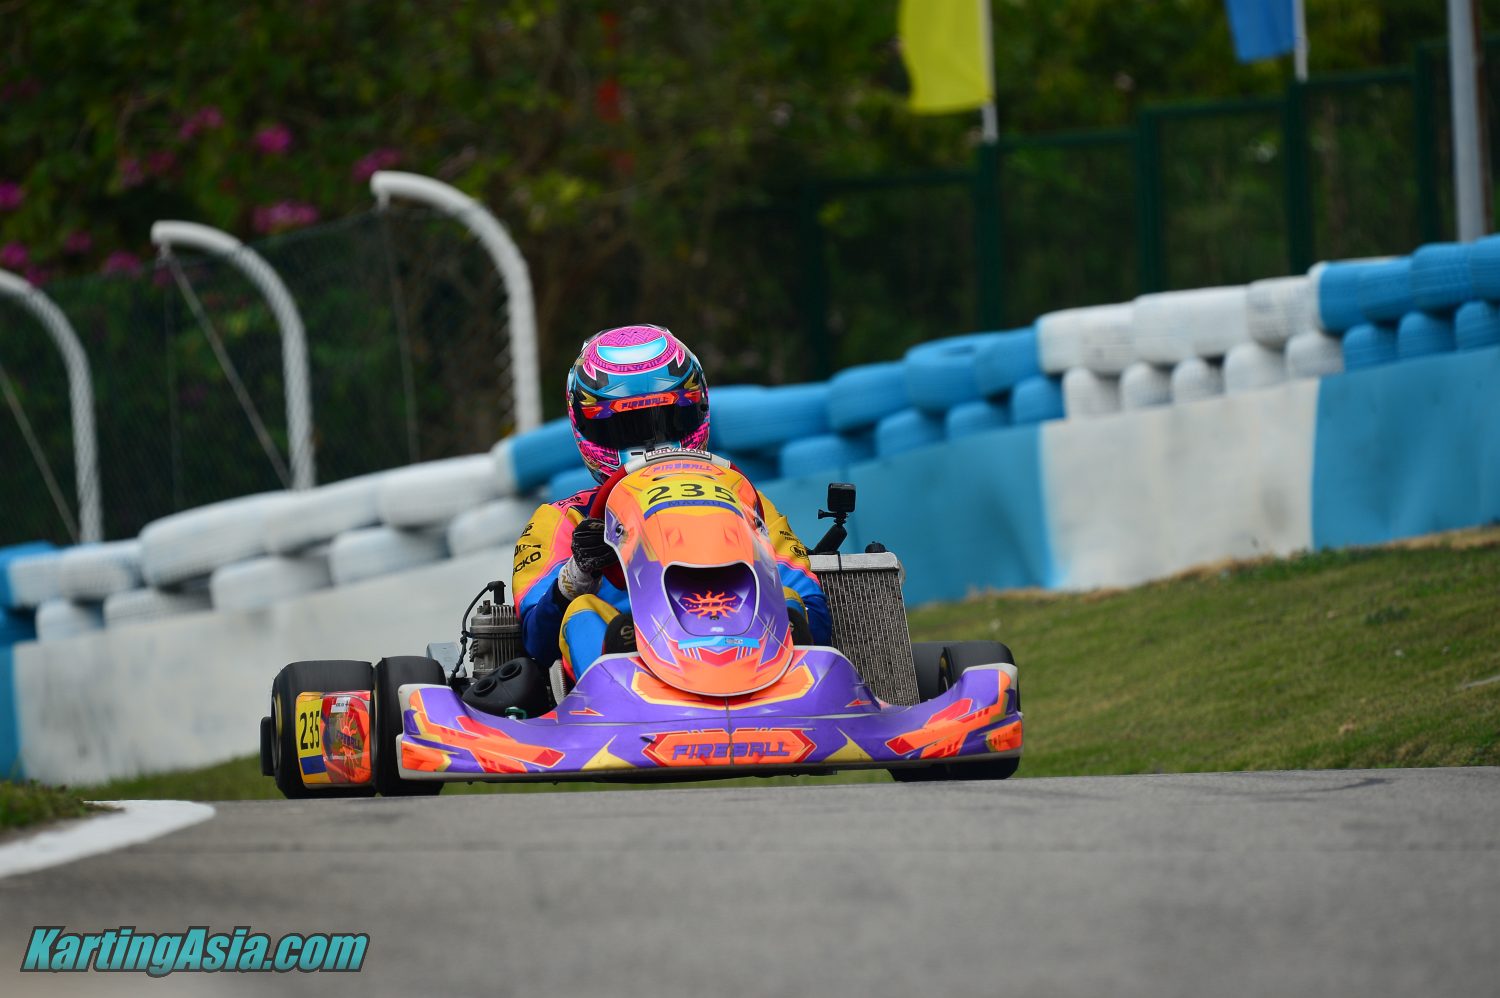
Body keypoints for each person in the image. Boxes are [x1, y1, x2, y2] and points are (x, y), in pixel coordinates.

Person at [511, 324, 831, 682]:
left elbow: (813, 611)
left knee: (789, 600)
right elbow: (537, 642)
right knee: (582, 612)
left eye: (669, 420)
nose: (652, 444)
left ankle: (792, 686)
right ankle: (619, 680)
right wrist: (578, 574)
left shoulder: (742, 499)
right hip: (635, 674)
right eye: (627, 427)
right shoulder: (564, 519)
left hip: (754, 665)